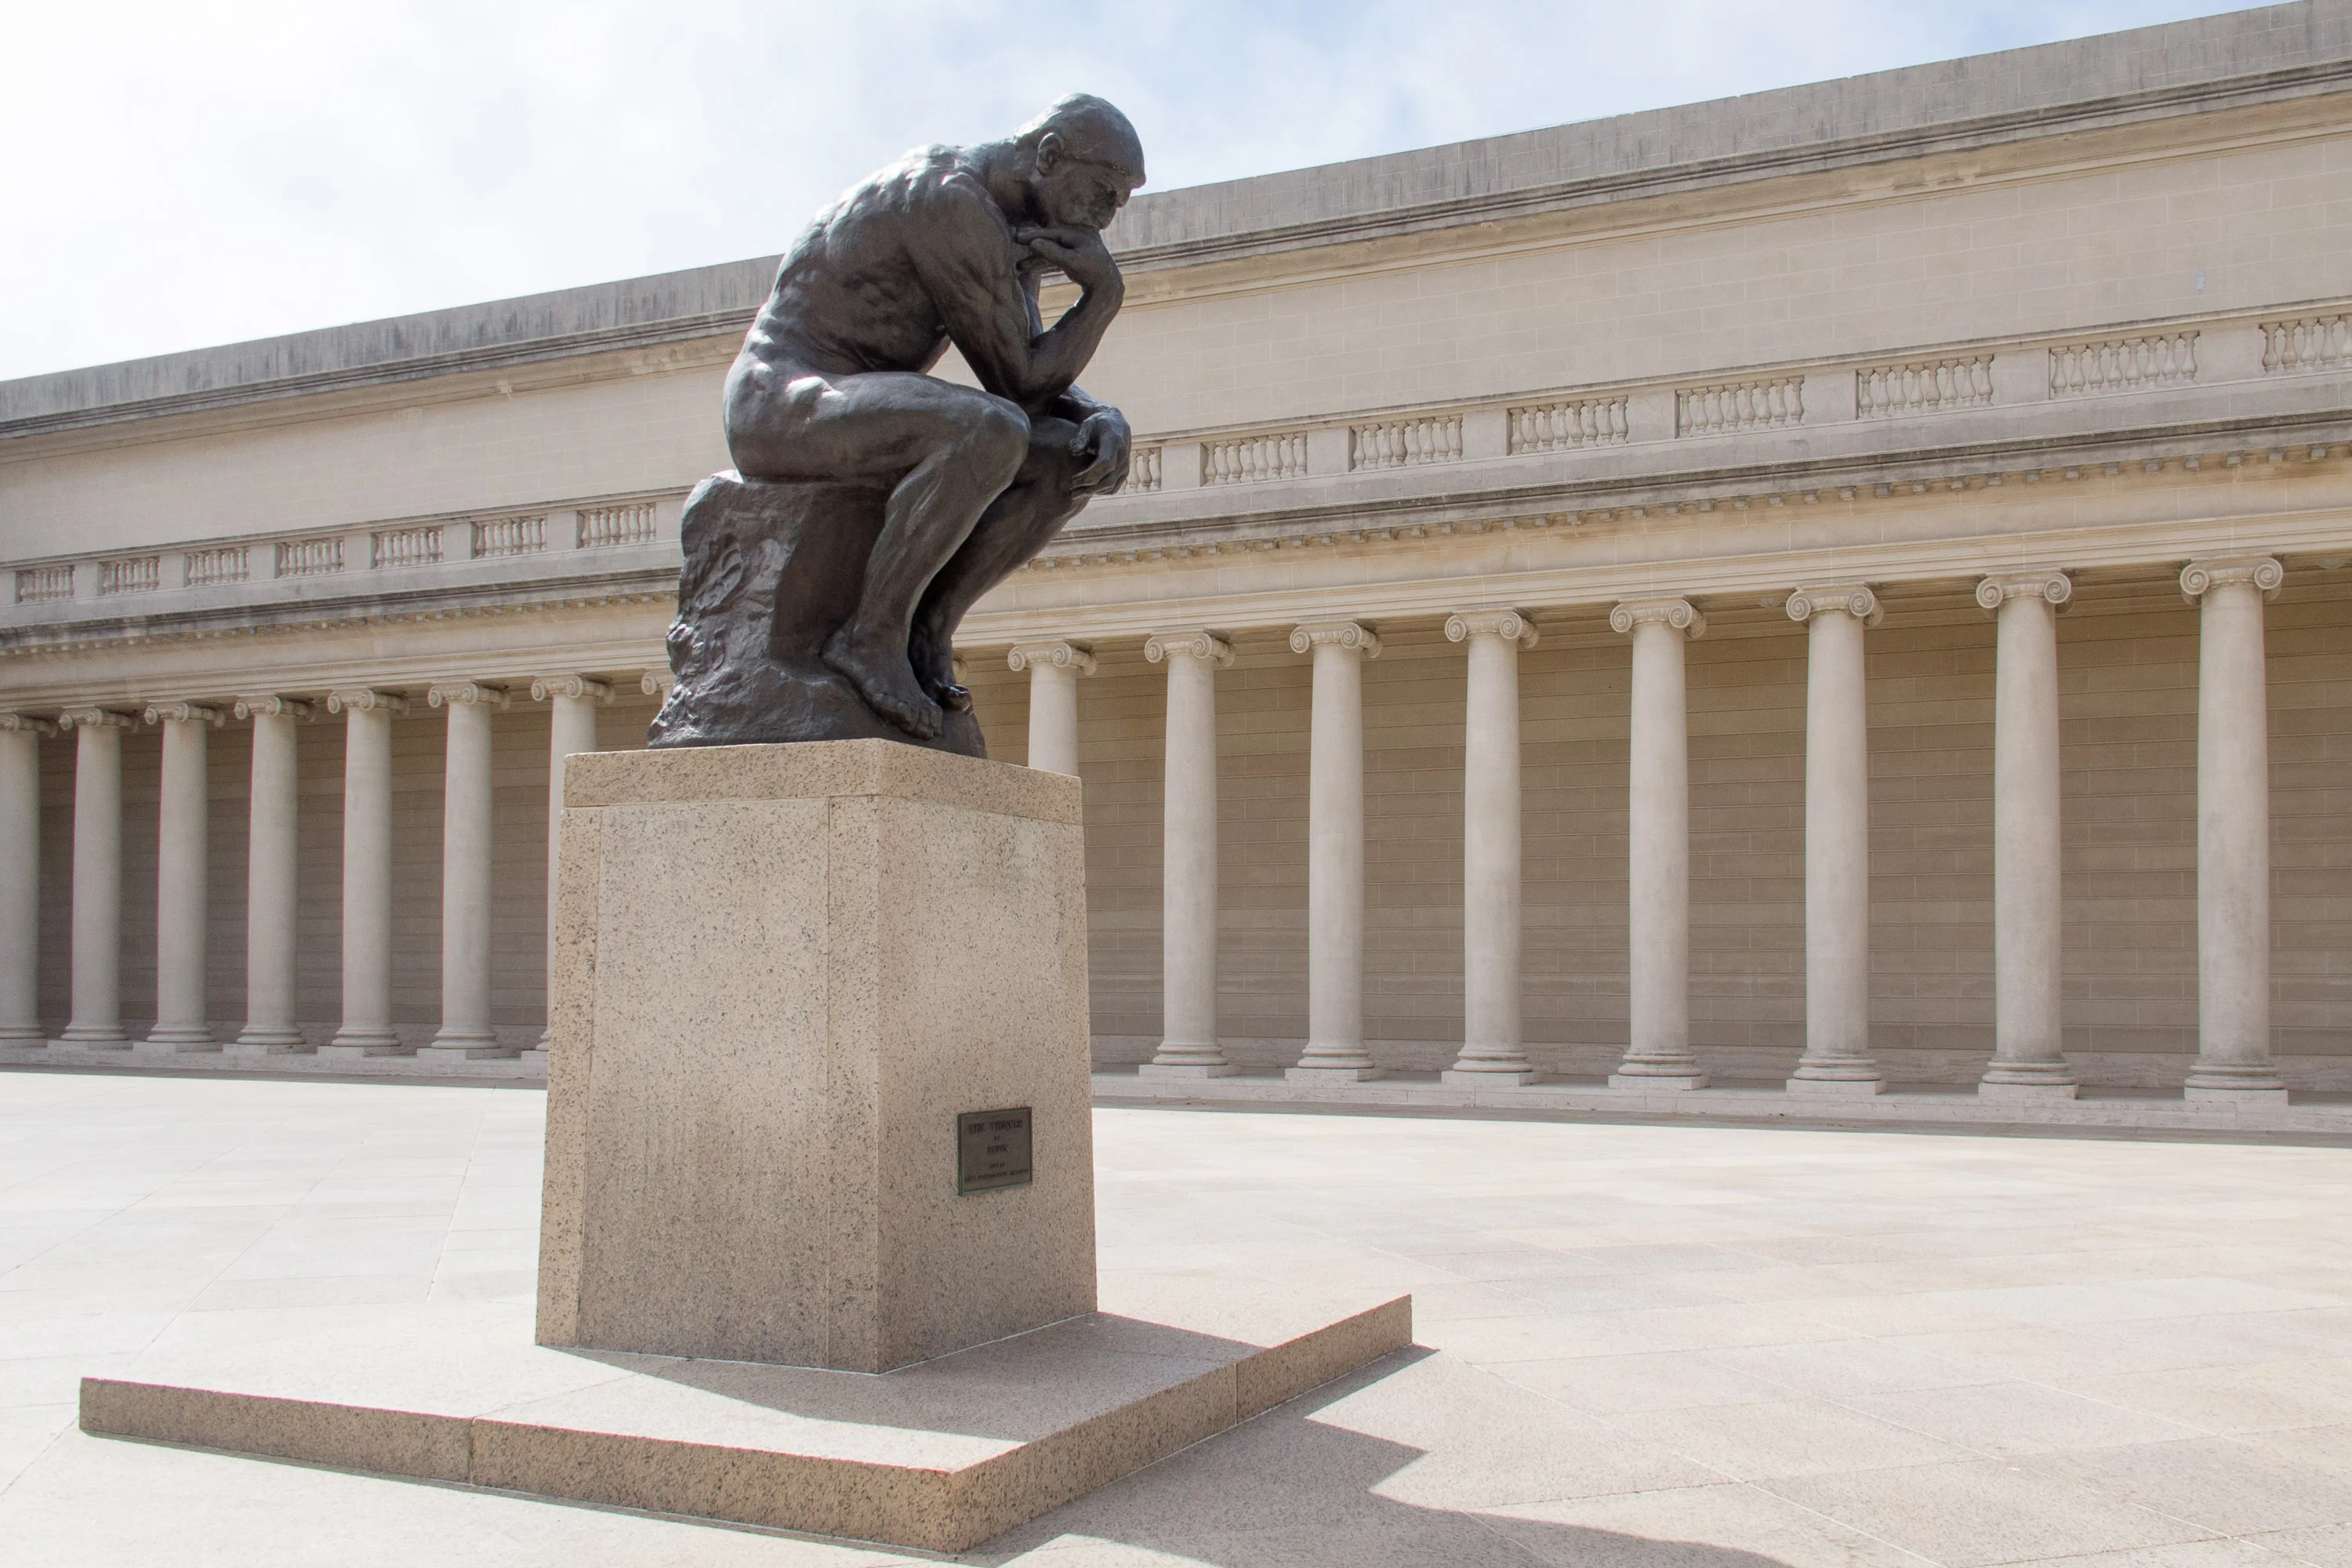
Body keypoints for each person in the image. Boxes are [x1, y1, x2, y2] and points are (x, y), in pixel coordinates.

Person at [721, 94, 1145, 740]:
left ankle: (924, 631)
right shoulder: (952, 200)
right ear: (1051, 155)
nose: (1109, 216)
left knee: (1069, 460)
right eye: (1106, 192)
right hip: (781, 397)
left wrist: (1097, 416)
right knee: (989, 430)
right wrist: (1103, 298)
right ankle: (869, 637)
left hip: (851, 399)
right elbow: (1021, 382)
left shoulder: (1008, 225)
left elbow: (1030, 372)